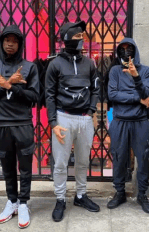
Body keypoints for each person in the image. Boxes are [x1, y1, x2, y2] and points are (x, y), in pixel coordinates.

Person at [45, 21, 100, 222]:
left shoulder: (90, 63)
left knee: (83, 161)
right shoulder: (54, 64)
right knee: (60, 163)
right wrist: (53, 122)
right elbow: (49, 95)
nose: (81, 40)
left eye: (82, 37)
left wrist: (91, 111)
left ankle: (80, 195)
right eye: (77, 37)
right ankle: (60, 199)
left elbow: (96, 89)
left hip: (84, 119)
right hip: (63, 118)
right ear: (66, 39)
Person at [0, 25, 39, 228]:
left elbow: (34, 97)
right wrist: (6, 83)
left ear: (20, 44)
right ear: (1, 43)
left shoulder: (30, 67)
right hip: (1, 124)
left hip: (23, 123)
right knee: (7, 167)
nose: (10, 43)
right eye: (6, 40)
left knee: (25, 168)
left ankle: (23, 203)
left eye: (14, 41)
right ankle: (12, 201)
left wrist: (10, 87)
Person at [107, 37, 149, 213]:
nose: (126, 52)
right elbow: (113, 95)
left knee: (143, 159)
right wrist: (138, 99)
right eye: (123, 48)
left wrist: (136, 77)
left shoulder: (146, 71)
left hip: (141, 122)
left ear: (135, 50)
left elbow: (145, 92)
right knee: (119, 158)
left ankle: (142, 194)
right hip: (119, 121)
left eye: (130, 48)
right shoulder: (114, 72)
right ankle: (119, 192)